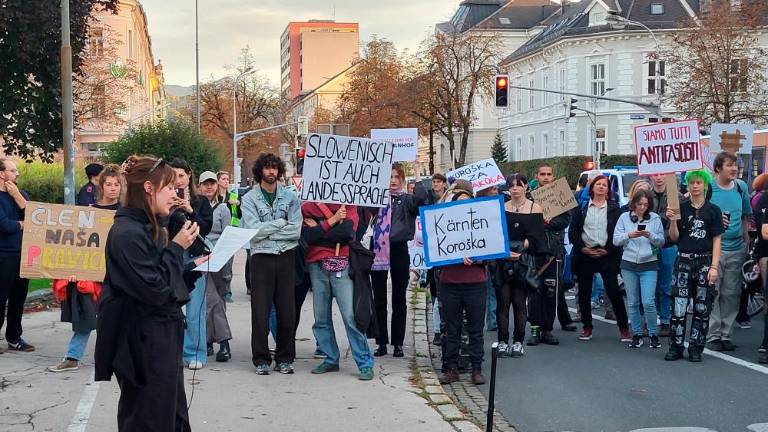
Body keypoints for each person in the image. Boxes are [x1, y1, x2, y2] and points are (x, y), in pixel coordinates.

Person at [95, 156, 206, 431]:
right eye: (169, 187)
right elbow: (154, 290)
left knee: (171, 412)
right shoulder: (127, 233)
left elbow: (162, 276)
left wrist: (191, 268)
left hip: (161, 337)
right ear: (148, 188)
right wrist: (177, 248)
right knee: (149, 415)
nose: (175, 194)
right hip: (142, 342)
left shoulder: (151, 226)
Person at [49, 164, 121, 372]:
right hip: (92, 275)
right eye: (109, 184)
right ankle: (72, 357)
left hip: (117, 272)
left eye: (117, 184)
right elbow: (77, 245)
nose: (113, 188)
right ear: (101, 186)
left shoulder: (126, 212)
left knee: (119, 315)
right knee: (87, 315)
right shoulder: (89, 212)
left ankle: (122, 356)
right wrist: (75, 268)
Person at [242, 153, 301, 375]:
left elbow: (296, 230)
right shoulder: (249, 199)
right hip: (261, 258)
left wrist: (269, 231)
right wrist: (279, 223)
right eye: (267, 168)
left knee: (287, 310)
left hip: (286, 256)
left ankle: (285, 358)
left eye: (274, 168)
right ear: (260, 171)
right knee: (260, 311)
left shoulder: (290, 197)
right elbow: (253, 231)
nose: (271, 172)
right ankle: (261, 359)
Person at [302, 200, 375, 380]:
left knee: (350, 317)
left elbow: (345, 234)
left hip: (341, 265)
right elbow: (307, 236)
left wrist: (320, 228)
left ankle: (365, 363)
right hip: (316, 266)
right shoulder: (307, 206)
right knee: (321, 317)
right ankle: (330, 358)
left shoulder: (348, 206)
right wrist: (333, 221)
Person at [665, 169, 723, 362]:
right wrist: (673, 221)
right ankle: (676, 346)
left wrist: (714, 267)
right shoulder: (680, 207)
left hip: (704, 261)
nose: (696, 186)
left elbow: (716, 239)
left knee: (702, 308)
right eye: (692, 183)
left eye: (699, 183)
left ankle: (697, 348)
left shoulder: (713, 210)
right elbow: (674, 238)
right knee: (678, 307)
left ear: (705, 185)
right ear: (688, 185)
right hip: (683, 260)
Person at [371, 163, 426, 357]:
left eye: (396, 177)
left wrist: (418, 176)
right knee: (379, 298)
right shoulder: (377, 199)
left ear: (402, 179)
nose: (393, 180)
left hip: (399, 249)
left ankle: (398, 343)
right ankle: (381, 342)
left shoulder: (407, 200)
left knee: (398, 298)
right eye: (389, 177)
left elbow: (421, 200)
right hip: (378, 249)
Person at [437, 180, 488, 386]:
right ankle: (451, 367)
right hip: (450, 282)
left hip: (476, 282)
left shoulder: (482, 221)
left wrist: (477, 258)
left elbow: (490, 250)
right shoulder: (443, 220)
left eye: (465, 197)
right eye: (457, 197)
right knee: (452, 328)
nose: (462, 202)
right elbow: (436, 250)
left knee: (476, 328)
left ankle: (476, 368)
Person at [569, 175, 631, 342]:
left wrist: (608, 249)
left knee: (613, 291)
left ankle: (624, 328)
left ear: (608, 190)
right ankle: (587, 327)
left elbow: (618, 232)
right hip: (585, 254)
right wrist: (583, 248)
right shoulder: (582, 208)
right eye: (598, 184)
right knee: (584, 292)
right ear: (592, 188)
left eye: (605, 185)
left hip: (607, 254)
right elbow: (573, 232)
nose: (602, 187)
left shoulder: (614, 209)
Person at [495, 174, 548, 357]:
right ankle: (502, 340)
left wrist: (521, 248)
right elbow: (496, 232)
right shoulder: (502, 208)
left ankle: (518, 341)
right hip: (503, 260)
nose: (515, 189)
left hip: (523, 261)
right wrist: (505, 250)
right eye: (512, 186)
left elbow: (537, 238)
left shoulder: (535, 208)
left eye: (519, 185)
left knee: (519, 303)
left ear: (526, 187)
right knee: (502, 303)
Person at [168, 159, 213, 370]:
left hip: (194, 257)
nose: (178, 180)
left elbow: (204, 228)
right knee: (173, 307)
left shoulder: (201, 201)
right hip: (173, 257)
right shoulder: (164, 200)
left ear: (189, 176)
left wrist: (189, 210)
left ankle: (196, 352)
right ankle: (174, 352)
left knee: (195, 308)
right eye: (173, 176)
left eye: (181, 176)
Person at [707, 152, 751, 352]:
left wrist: (746, 238)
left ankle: (726, 334)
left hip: (736, 248)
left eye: (736, 165)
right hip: (714, 248)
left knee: (731, 293)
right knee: (714, 292)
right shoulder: (709, 188)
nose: (734, 169)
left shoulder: (741, 187)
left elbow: (745, 215)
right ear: (718, 168)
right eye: (729, 165)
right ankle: (713, 334)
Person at [613, 189, 665, 349]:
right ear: (633, 203)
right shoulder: (624, 217)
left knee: (648, 301)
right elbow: (615, 240)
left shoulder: (655, 218)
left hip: (649, 263)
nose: (642, 207)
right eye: (639, 204)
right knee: (633, 302)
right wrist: (629, 235)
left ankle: (653, 333)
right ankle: (636, 334)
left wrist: (650, 235)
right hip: (628, 264)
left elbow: (661, 241)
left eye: (645, 205)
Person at [530, 163, 576, 336]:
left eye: (549, 174)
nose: (546, 177)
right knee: (535, 290)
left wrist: (547, 223)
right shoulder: (530, 197)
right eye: (543, 174)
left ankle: (551, 326)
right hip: (535, 250)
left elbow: (565, 220)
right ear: (537, 176)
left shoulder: (560, 194)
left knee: (553, 288)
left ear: (553, 176)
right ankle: (536, 328)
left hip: (554, 249)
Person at [197, 171, 233, 362]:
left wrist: (227, 262)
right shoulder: (194, 208)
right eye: (205, 184)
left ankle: (210, 339)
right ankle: (224, 342)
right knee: (211, 300)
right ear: (199, 186)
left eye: (212, 183)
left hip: (220, 259)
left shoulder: (223, 209)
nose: (209, 187)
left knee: (218, 299)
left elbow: (228, 235)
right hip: (201, 258)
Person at [0, 158, 33, 353]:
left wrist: (17, 196)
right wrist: (21, 225)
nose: (17, 173)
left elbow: (35, 217)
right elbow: (3, 225)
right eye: (13, 170)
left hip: (24, 254)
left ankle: (14, 337)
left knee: (18, 298)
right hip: (4, 255)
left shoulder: (21, 195)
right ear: (2, 174)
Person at [649, 173, 683, 337]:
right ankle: (652, 318)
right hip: (650, 246)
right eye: (655, 174)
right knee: (650, 285)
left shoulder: (676, 197)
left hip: (669, 245)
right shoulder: (646, 195)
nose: (659, 177)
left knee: (666, 285)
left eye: (662, 174)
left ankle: (665, 320)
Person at [426, 173, 447, 344]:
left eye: (438, 181)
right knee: (436, 295)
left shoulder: (449, 200)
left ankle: (440, 329)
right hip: (434, 253)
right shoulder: (429, 200)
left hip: (445, 253)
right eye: (434, 182)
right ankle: (437, 330)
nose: (435, 184)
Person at [477, 186, 500, 334]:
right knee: (488, 289)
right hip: (484, 252)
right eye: (493, 188)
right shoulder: (478, 206)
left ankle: (492, 320)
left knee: (493, 288)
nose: (496, 191)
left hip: (494, 251)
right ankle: (489, 320)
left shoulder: (499, 204)